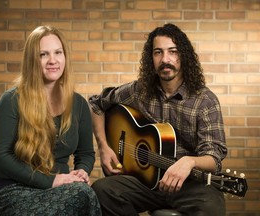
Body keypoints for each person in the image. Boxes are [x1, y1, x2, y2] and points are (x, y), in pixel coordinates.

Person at [89, 23, 227, 216]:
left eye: (172, 51)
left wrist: (189, 162)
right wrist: (104, 147)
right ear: (150, 58)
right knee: (103, 191)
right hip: (146, 183)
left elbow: (214, 157)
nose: (165, 59)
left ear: (183, 56)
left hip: (189, 185)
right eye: (158, 53)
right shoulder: (140, 91)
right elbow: (96, 104)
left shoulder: (205, 101)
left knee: (211, 206)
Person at [0, 25, 101, 216]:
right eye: (43, 54)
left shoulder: (79, 104)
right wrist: (50, 181)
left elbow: (86, 153)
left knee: (84, 193)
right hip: (11, 189)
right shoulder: (11, 100)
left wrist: (82, 171)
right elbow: (1, 156)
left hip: (59, 188)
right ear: (32, 60)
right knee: (83, 195)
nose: (53, 60)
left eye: (58, 52)